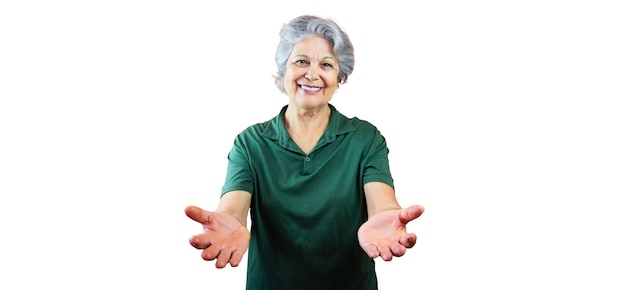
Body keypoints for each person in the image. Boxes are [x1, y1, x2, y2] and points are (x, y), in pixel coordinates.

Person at [185, 14, 425, 289]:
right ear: (283, 71)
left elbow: (382, 203)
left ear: (339, 77)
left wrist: (387, 218)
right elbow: (233, 208)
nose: (312, 74)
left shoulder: (365, 139)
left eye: (326, 64)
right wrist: (226, 222)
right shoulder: (250, 143)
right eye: (301, 61)